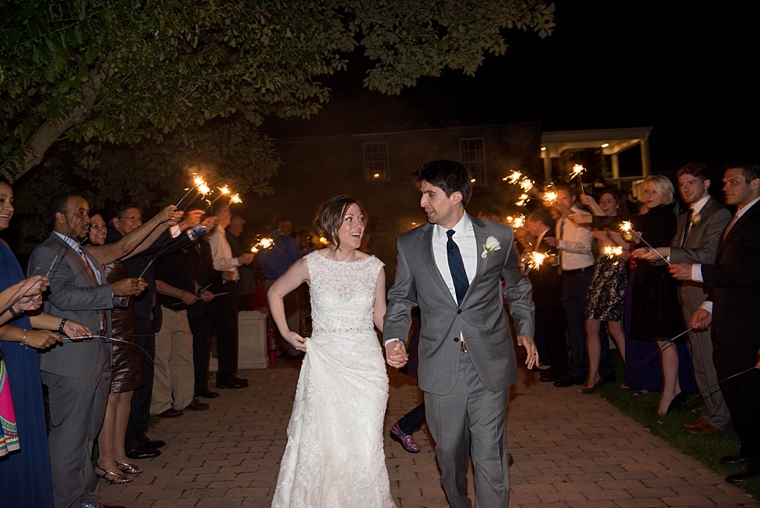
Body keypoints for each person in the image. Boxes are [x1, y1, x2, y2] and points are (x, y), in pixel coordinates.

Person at [384, 160, 536, 508]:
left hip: (490, 361)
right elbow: (401, 298)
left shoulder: (498, 236)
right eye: (422, 194)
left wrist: (525, 328)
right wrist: (394, 338)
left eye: (430, 194)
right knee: (450, 454)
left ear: (455, 196)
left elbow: (517, 286)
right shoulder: (410, 243)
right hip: (440, 364)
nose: (422, 202)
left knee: (490, 452)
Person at [269, 195, 394, 507]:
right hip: (325, 364)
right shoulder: (311, 264)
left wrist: (395, 341)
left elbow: (379, 315)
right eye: (349, 218)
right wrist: (285, 332)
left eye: (360, 218)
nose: (358, 224)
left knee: (365, 443)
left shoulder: (375, 268)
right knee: (324, 441)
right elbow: (275, 292)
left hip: (366, 367)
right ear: (331, 224)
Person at [27, 192, 147, 508]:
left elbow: (91, 296)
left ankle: (86, 498)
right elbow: (61, 297)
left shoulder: (80, 253)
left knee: (86, 435)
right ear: (59, 217)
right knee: (69, 438)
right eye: (79, 213)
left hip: (96, 351)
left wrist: (121, 294)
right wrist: (112, 289)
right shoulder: (48, 252)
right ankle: (66, 501)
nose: (86, 219)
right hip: (70, 358)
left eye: (86, 212)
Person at [670, 162, 760, 484]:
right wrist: (708, 304)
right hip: (725, 318)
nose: (726, 187)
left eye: (733, 182)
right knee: (733, 390)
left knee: (751, 393)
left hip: (748, 323)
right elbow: (725, 265)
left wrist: (695, 271)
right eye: (725, 182)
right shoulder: (737, 218)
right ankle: (748, 448)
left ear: (756, 183)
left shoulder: (757, 219)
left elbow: (749, 270)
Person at [642, 163, 732, 433]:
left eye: (691, 183)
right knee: (698, 357)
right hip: (685, 292)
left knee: (708, 357)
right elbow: (675, 251)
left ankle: (719, 417)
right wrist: (653, 256)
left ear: (706, 184)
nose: (685, 188)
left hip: (704, 293)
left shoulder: (718, 214)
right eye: (682, 184)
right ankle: (710, 411)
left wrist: (667, 252)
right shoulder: (684, 217)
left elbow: (709, 255)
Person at [629, 175, 691, 415]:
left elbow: (662, 246)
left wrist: (592, 212)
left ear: (665, 193)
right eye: (646, 191)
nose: (648, 195)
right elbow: (644, 239)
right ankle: (675, 390)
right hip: (651, 279)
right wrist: (640, 247)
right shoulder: (655, 215)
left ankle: (669, 394)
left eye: (653, 191)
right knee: (661, 339)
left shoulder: (663, 214)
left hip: (659, 282)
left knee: (665, 339)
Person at [544, 184, 614, 387]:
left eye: (564, 199)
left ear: (573, 198)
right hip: (568, 277)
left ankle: (604, 370)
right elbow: (567, 251)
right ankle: (577, 370)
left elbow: (584, 248)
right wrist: (557, 260)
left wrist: (560, 244)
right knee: (574, 326)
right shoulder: (561, 221)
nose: (559, 203)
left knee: (592, 324)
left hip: (584, 276)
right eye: (557, 199)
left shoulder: (582, 216)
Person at [577, 189, 629, 393]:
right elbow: (573, 216)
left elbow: (626, 254)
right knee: (590, 326)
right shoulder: (599, 224)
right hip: (598, 277)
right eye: (602, 202)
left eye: (609, 201)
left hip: (615, 278)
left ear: (617, 204)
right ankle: (594, 375)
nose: (605, 205)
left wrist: (605, 239)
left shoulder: (621, 224)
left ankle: (633, 374)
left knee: (615, 329)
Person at [207, 204, 253, 389]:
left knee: (230, 333)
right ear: (219, 215)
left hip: (229, 287)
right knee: (227, 333)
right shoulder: (216, 236)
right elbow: (215, 263)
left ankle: (229, 374)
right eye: (227, 212)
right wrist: (237, 260)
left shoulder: (222, 235)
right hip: (223, 289)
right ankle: (225, 376)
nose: (230, 215)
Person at [526, 208, 565, 380]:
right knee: (548, 330)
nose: (529, 228)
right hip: (543, 292)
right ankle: (553, 365)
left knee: (554, 331)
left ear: (538, 223)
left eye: (530, 224)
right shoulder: (540, 240)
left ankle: (559, 367)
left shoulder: (550, 239)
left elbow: (553, 260)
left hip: (549, 291)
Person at [261, 218, 303, 357]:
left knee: (274, 316)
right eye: (287, 225)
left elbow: (260, 262)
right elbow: (297, 259)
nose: (289, 228)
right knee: (291, 315)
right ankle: (293, 349)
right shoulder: (288, 241)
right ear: (280, 225)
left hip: (269, 282)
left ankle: (276, 348)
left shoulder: (265, 242)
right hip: (287, 282)